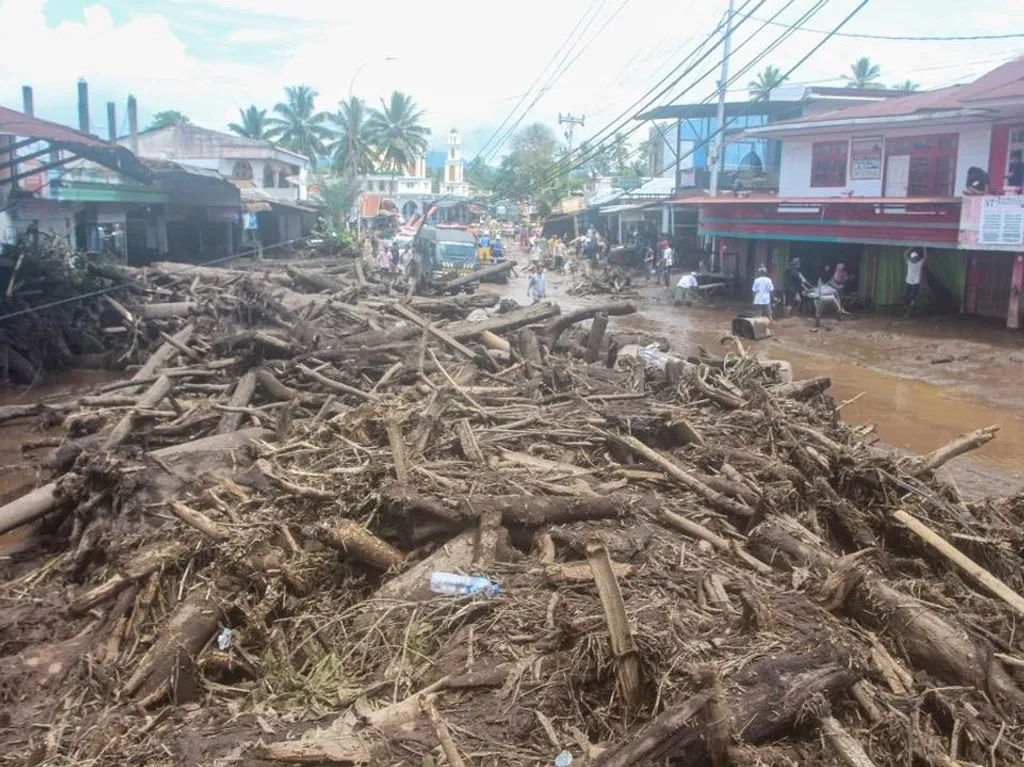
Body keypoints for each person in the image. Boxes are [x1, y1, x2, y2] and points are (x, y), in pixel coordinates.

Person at [904, 248, 927, 315]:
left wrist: (924, 248)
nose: (914, 259)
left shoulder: (919, 263)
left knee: (912, 297)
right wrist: (912, 247)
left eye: (915, 257)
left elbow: (925, 257)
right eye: (913, 258)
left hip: (916, 283)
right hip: (908, 281)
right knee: (906, 296)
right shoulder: (908, 262)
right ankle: (908, 309)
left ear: (917, 258)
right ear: (911, 258)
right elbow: (905, 254)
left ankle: (909, 311)